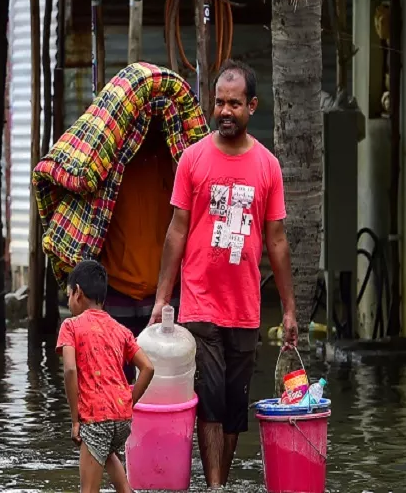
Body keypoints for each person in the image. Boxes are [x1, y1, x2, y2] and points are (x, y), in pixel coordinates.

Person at [150, 59, 299, 489]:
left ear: (252, 106)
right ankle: (215, 487)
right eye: (219, 103)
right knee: (210, 403)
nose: (225, 111)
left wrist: (289, 310)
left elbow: (277, 241)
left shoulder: (268, 166)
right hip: (200, 304)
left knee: (234, 409)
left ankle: (221, 482)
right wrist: (163, 297)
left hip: (246, 309)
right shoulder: (193, 160)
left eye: (235, 103)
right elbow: (177, 230)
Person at [58, 260, 156, 493]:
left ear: (78, 292)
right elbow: (148, 368)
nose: (68, 300)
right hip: (122, 419)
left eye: (69, 294)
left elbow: (70, 370)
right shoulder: (120, 330)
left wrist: (75, 420)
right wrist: (129, 401)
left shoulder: (70, 326)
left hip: (95, 418)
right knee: (107, 454)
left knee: (88, 489)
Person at [98, 117, 180, 381]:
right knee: (128, 380)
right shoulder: (109, 161)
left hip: (162, 291)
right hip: (121, 289)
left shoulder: (177, 160)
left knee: (158, 380)